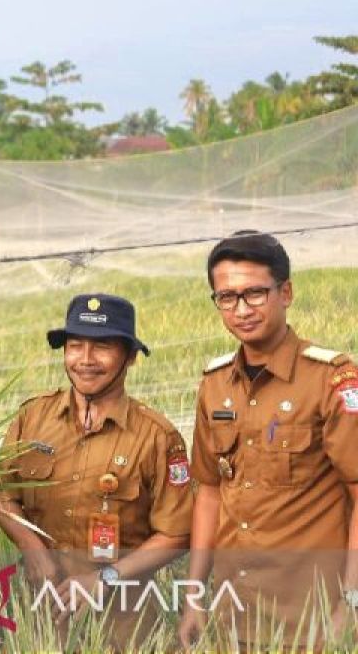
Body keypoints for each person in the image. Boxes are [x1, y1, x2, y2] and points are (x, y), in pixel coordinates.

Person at [177, 231, 358, 649]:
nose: (241, 310)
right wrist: (194, 598)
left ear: (285, 292)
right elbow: (209, 493)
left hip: (310, 617)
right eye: (227, 297)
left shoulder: (331, 380)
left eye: (255, 293)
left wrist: (350, 604)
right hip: (233, 613)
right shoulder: (215, 384)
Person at [0, 293, 191, 650]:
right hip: (42, 617)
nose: (85, 360)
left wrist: (105, 579)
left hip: (124, 626)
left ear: (130, 356)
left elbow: (177, 534)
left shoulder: (157, 437)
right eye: (75, 346)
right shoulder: (32, 418)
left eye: (102, 347)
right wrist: (32, 548)